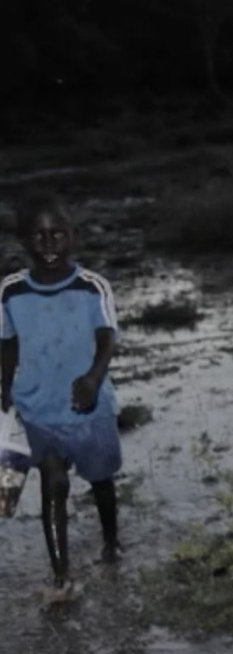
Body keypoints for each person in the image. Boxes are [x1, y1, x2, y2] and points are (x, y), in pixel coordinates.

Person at [1, 194, 122, 601]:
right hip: (37, 408)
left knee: (101, 480)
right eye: (39, 236)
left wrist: (92, 377)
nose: (49, 244)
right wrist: (4, 392)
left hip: (90, 408)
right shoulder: (10, 291)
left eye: (58, 234)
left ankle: (111, 542)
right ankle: (61, 577)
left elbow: (107, 338)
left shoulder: (92, 286)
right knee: (52, 483)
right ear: (23, 240)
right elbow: (7, 344)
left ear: (73, 236)